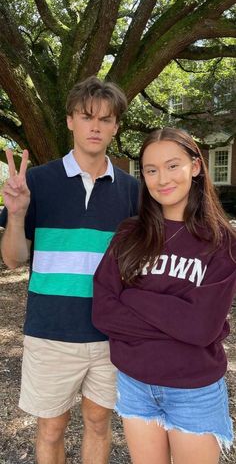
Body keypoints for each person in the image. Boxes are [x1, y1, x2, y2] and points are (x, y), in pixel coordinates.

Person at [0, 76, 139, 464]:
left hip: (111, 334)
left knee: (98, 422)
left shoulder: (132, 191)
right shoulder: (37, 182)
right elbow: (13, 259)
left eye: (105, 119)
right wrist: (16, 215)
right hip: (50, 330)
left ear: (115, 127)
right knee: (51, 427)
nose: (95, 126)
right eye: (86, 116)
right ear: (70, 121)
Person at [92, 127, 236, 464]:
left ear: (195, 166)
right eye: (151, 170)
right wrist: (177, 315)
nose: (162, 179)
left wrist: (133, 297)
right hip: (135, 384)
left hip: (194, 389)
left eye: (173, 166)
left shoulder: (222, 242)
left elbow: (201, 328)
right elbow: (102, 313)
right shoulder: (129, 234)